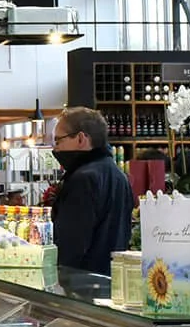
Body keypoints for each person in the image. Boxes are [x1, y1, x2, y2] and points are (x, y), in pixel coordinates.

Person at [51, 106, 135, 275]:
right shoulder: (120, 176)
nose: (56, 148)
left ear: (81, 138)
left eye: (59, 140)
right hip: (112, 279)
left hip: (82, 284)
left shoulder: (83, 178)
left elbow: (72, 244)